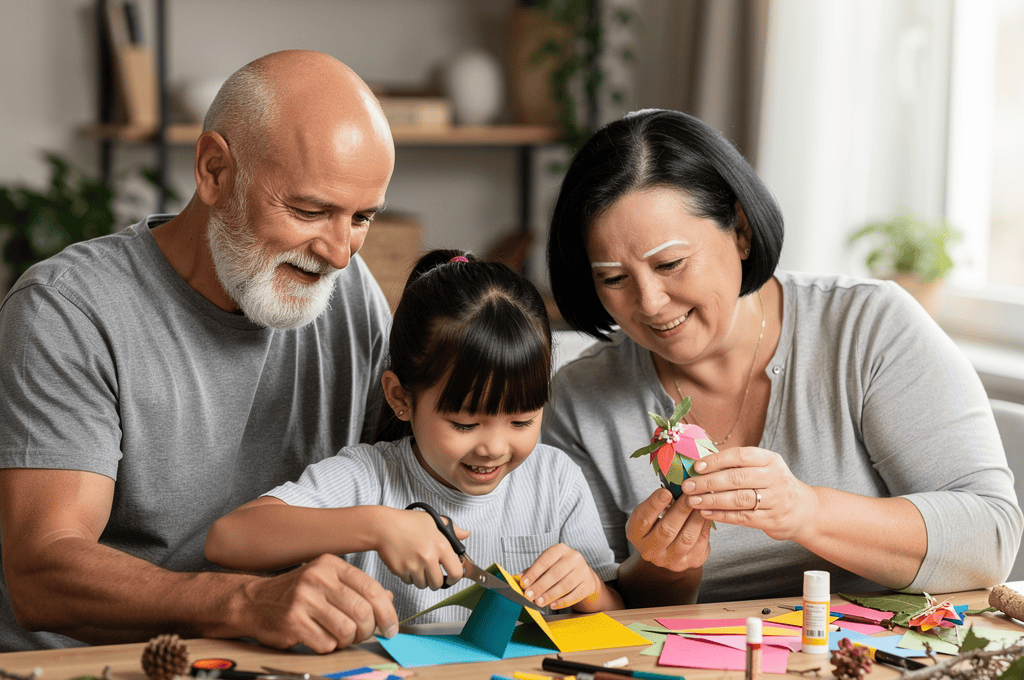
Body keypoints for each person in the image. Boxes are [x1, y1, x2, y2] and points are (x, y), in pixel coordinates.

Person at [0, 50, 401, 652]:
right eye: (310, 211)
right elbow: (43, 573)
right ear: (214, 171)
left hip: (279, 674)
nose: (341, 253)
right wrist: (246, 603)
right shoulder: (70, 309)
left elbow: (415, 474)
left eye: (362, 217)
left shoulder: (350, 293)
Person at [541, 108, 1022, 608]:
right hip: (700, 672)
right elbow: (603, 611)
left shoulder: (868, 327)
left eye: (670, 264)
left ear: (742, 231)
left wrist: (807, 512)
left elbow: (990, 538)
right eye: (613, 279)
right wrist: (665, 567)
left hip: (882, 658)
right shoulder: (579, 400)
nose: (649, 303)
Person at [205, 250, 623, 621]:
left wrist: (589, 589)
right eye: (465, 423)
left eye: (522, 421)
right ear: (400, 398)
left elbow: (621, 617)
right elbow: (228, 539)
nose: (494, 448)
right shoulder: (367, 478)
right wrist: (377, 527)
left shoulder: (556, 481)